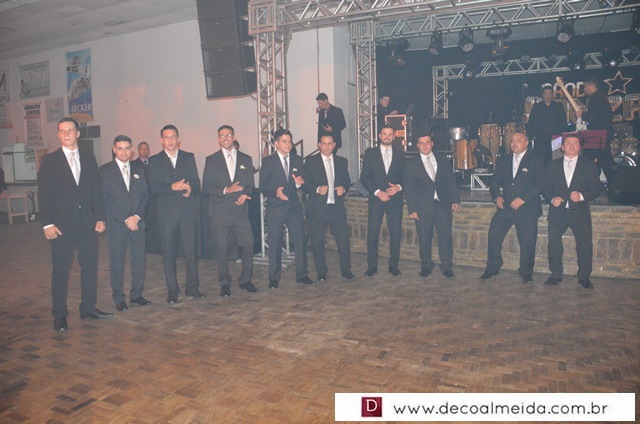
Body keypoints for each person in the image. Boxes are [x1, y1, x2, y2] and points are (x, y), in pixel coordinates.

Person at [37, 117, 111, 332]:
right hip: (61, 225)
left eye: (70, 130)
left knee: (89, 267)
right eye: (62, 131)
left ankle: (88, 308)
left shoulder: (88, 158)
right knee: (61, 270)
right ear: (58, 135)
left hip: (87, 223)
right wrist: (47, 224)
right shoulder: (50, 161)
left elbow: (96, 191)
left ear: (78, 133)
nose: (66, 134)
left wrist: (100, 217)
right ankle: (59, 315)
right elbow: (44, 194)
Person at [479, 132, 545, 283]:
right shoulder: (505, 160)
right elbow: (495, 181)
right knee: (494, 236)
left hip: (527, 208)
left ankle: (526, 271)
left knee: (527, 242)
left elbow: (541, 184)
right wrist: (497, 196)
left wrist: (523, 199)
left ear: (526, 143)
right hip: (506, 207)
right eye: (512, 140)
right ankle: (493, 267)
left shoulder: (536, 159)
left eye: (518, 140)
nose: (514, 143)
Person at [202, 125, 258, 297]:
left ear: (234, 137)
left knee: (248, 244)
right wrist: (227, 190)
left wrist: (245, 195)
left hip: (240, 211)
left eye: (228, 135)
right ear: (218, 139)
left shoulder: (246, 159)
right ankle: (224, 283)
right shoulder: (211, 160)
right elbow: (206, 188)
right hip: (220, 213)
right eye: (221, 136)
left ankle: (246, 280)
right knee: (221, 248)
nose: (225, 138)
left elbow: (250, 186)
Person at [148, 124, 202, 304]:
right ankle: (172, 291)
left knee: (191, 252)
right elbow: (153, 187)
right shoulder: (155, 160)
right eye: (167, 137)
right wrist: (172, 187)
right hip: (167, 214)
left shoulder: (188, 157)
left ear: (178, 139)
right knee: (169, 254)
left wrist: (191, 189)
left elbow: (197, 182)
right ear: (161, 140)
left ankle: (192, 288)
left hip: (187, 212)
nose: (170, 140)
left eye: (173, 137)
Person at [100, 135, 151, 312]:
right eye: (120, 148)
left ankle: (136, 295)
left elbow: (145, 196)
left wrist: (136, 217)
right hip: (117, 225)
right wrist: (126, 219)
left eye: (127, 148)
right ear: (114, 149)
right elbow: (106, 199)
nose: (124, 152)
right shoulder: (105, 171)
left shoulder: (139, 170)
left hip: (137, 224)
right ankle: (119, 297)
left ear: (132, 150)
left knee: (139, 261)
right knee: (117, 262)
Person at [259, 128, 315, 289]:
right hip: (275, 208)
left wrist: (298, 183)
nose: (288, 144)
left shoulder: (297, 160)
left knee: (300, 240)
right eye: (284, 141)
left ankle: (302, 274)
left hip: (293, 207)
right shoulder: (268, 161)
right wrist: (275, 192)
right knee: (275, 243)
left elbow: (302, 181)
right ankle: (274, 278)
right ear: (276, 143)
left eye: (290, 141)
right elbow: (262, 186)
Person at [544, 135, 601, 289]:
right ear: (562, 147)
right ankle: (555, 274)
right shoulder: (552, 165)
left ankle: (584, 277)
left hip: (580, 212)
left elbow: (597, 188)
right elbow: (545, 187)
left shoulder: (588, 165)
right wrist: (552, 198)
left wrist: (582, 196)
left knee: (584, 245)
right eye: (568, 143)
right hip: (558, 212)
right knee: (554, 244)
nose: (571, 145)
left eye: (575, 143)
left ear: (580, 147)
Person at [404, 131, 460, 279]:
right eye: (421, 143)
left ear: (432, 144)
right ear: (417, 145)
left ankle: (446, 266)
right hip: (423, 207)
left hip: (443, 204)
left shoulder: (441, 158)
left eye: (427, 142)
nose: (425, 146)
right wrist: (412, 209)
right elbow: (409, 188)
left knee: (445, 236)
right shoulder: (412, 163)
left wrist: (455, 199)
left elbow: (450, 180)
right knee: (424, 237)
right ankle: (426, 266)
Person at [303, 135, 354, 281]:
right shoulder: (310, 162)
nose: (326, 146)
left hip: (336, 209)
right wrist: (317, 189)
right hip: (317, 209)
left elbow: (347, 180)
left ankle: (346, 270)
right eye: (324, 143)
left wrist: (343, 188)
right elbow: (304, 184)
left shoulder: (342, 161)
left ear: (334, 145)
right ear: (319, 145)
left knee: (343, 241)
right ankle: (321, 272)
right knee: (318, 242)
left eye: (329, 143)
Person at [361, 124, 405, 277]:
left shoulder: (400, 154)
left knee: (395, 233)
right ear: (379, 136)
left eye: (390, 134)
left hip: (395, 199)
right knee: (373, 232)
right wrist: (377, 192)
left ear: (394, 136)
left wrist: (398, 187)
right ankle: (372, 266)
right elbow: (364, 177)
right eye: (384, 134)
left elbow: (405, 176)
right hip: (376, 199)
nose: (387, 137)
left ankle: (394, 266)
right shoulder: (370, 153)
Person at [575, 78, 615, 187]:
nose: (584, 89)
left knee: (600, 162)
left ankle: (612, 186)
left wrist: (582, 115)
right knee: (596, 161)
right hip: (599, 135)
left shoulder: (596, 98)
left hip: (598, 135)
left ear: (591, 86)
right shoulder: (600, 98)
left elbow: (593, 116)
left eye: (585, 86)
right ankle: (606, 186)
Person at [527, 86, 567, 164]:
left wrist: (561, 135)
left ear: (552, 94)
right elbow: (531, 122)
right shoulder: (537, 107)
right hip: (541, 139)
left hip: (555, 138)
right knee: (540, 161)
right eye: (545, 93)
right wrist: (533, 135)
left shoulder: (558, 106)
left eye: (549, 93)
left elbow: (563, 122)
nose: (548, 96)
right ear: (542, 95)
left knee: (556, 161)